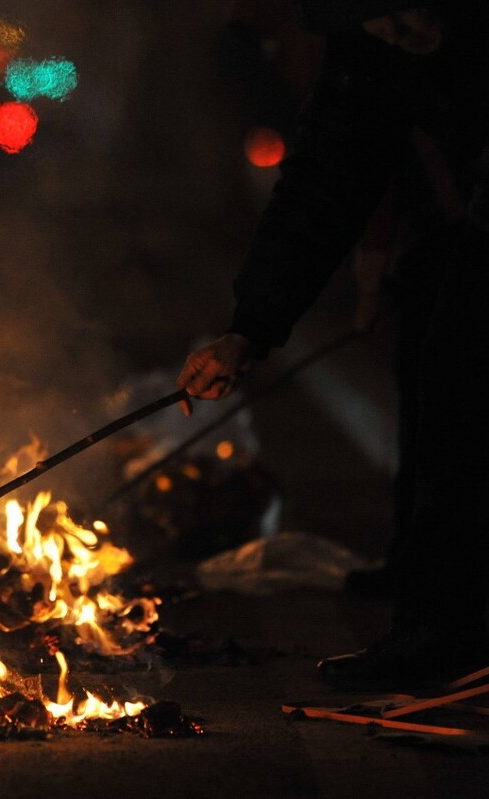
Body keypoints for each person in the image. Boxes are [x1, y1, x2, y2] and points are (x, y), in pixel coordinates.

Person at [177, 1, 489, 690]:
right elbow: (324, 180)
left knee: (461, 365)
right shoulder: (366, 49)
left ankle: (447, 631)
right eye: (386, 25)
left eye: (413, 14)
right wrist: (248, 330)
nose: (410, 34)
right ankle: (437, 629)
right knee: (447, 377)